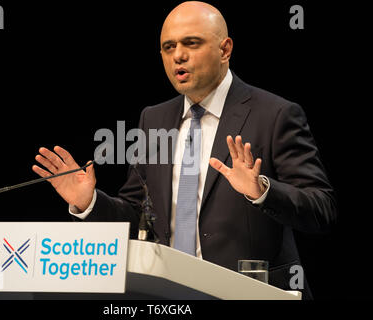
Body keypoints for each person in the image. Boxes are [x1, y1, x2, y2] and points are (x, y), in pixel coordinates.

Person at [32, 1, 336, 299]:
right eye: (168, 47)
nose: (178, 55)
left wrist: (262, 191)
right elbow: (139, 213)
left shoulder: (275, 115)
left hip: (249, 293)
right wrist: (90, 202)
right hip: (169, 295)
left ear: (225, 49)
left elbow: (321, 208)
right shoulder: (153, 119)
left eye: (191, 43)